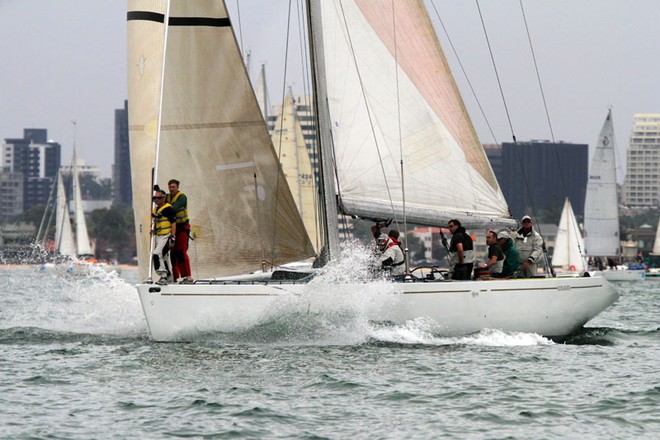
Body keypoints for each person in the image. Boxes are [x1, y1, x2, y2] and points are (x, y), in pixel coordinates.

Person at [166, 179, 193, 283]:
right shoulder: (167, 197)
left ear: (177, 187)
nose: (171, 189)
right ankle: (175, 277)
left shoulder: (182, 197)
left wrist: (164, 209)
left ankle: (187, 276)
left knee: (181, 252)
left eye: (173, 187)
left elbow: (174, 208)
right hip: (172, 229)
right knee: (173, 253)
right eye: (170, 187)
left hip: (182, 228)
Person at [151, 189, 176, 284]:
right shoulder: (156, 209)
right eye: (155, 198)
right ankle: (169, 277)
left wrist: (173, 237)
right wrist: (153, 230)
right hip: (158, 236)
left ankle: (163, 276)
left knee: (157, 254)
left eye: (159, 198)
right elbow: (158, 222)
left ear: (164, 198)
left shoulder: (168, 209)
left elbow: (173, 223)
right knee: (164, 257)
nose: (156, 200)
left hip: (166, 236)